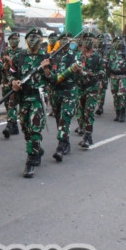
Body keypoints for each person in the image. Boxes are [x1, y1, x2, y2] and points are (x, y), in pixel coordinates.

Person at [8, 28, 53, 177]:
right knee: (26, 130)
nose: (33, 39)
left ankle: (31, 161)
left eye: (36, 37)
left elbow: (53, 79)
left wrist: (46, 70)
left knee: (34, 129)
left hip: (38, 99)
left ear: (41, 40)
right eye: (30, 37)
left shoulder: (46, 57)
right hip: (23, 98)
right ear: (26, 39)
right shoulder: (19, 57)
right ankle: (37, 149)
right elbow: (10, 74)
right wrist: (13, 82)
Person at [48, 32, 81, 161]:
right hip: (55, 92)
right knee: (58, 118)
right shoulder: (53, 56)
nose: (64, 42)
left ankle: (61, 146)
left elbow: (81, 74)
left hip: (69, 91)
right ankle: (66, 141)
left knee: (65, 117)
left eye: (67, 40)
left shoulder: (75, 56)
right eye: (62, 39)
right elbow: (49, 74)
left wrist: (77, 70)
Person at [76, 30, 105, 149]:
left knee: (89, 112)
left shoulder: (97, 56)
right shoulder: (77, 55)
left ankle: (88, 136)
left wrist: (92, 74)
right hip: (79, 87)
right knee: (81, 112)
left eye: (90, 40)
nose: (87, 42)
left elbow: (102, 72)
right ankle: (82, 129)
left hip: (92, 88)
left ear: (94, 42)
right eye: (85, 40)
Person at [0, 32, 21, 138]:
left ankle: (9, 125)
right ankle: (14, 126)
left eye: (16, 38)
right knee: (7, 105)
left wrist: (10, 62)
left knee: (12, 104)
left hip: (15, 82)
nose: (14, 40)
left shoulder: (22, 53)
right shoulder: (4, 52)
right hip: (5, 82)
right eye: (12, 39)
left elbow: (19, 67)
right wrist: (3, 66)